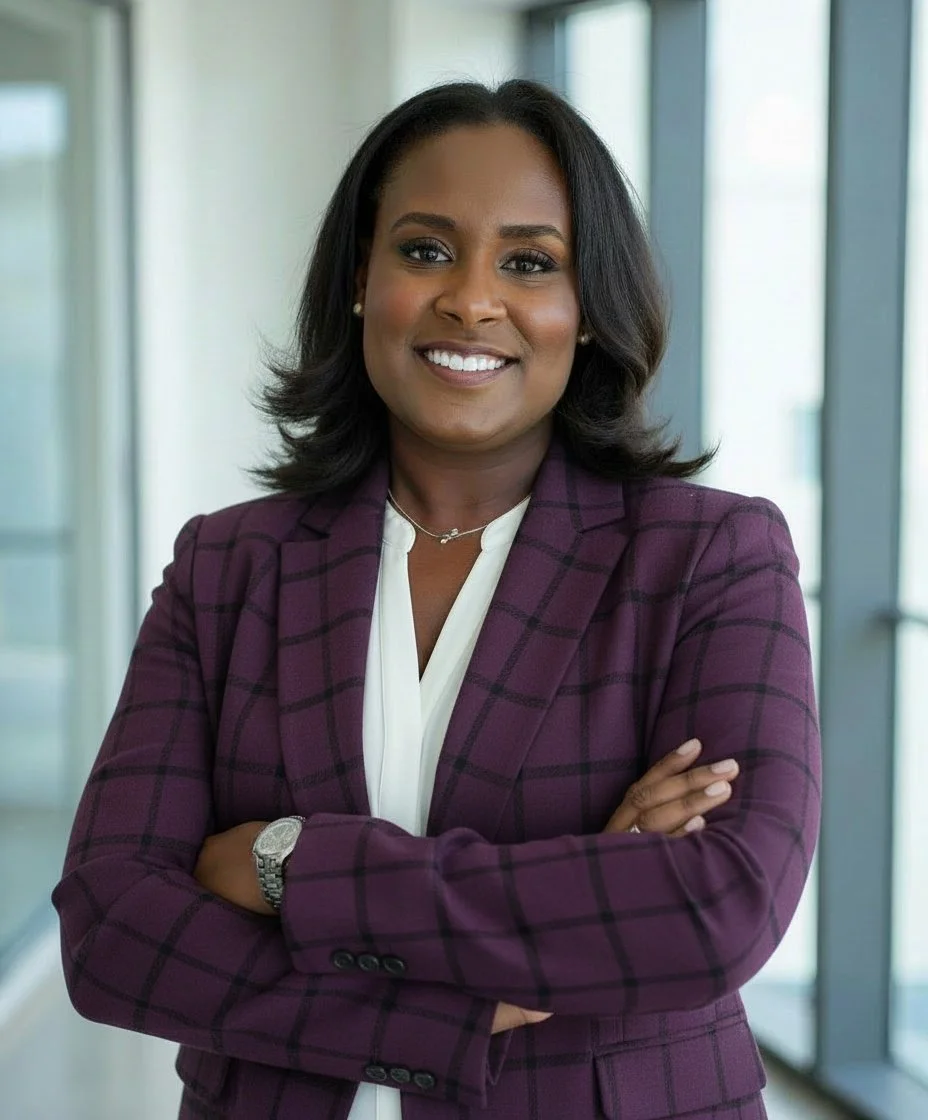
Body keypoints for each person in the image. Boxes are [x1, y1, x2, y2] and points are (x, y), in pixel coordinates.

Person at [52, 79, 821, 1120]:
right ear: (361, 281)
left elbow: (720, 907)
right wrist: (568, 899)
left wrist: (293, 861)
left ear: (586, 309)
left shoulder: (710, 556)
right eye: (423, 250)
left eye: (528, 261)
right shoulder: (228, 567)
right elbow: (113, 932)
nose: (471, 298)